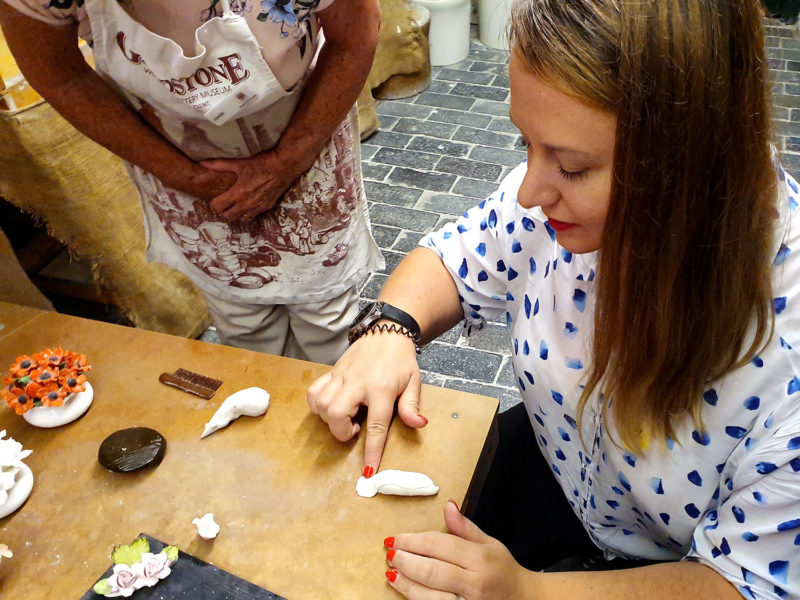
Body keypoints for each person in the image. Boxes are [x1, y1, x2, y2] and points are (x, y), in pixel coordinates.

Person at [306, 0, 800, 597]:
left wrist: (533, 593)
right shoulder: (548, 209)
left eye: (570, 167)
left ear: (691, 171)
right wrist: (390, 329)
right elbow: (455, 258)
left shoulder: (784, 364)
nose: (531, 192)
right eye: (525, 145)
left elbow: (740, 583)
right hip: (565, 474)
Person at [0, 0, 383, 364]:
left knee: (327, 318)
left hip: (304, 137)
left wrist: (286, 162)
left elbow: (356, 33)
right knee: (242, 322)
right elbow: (59, 74)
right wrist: (188, 177)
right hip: (180, 161)